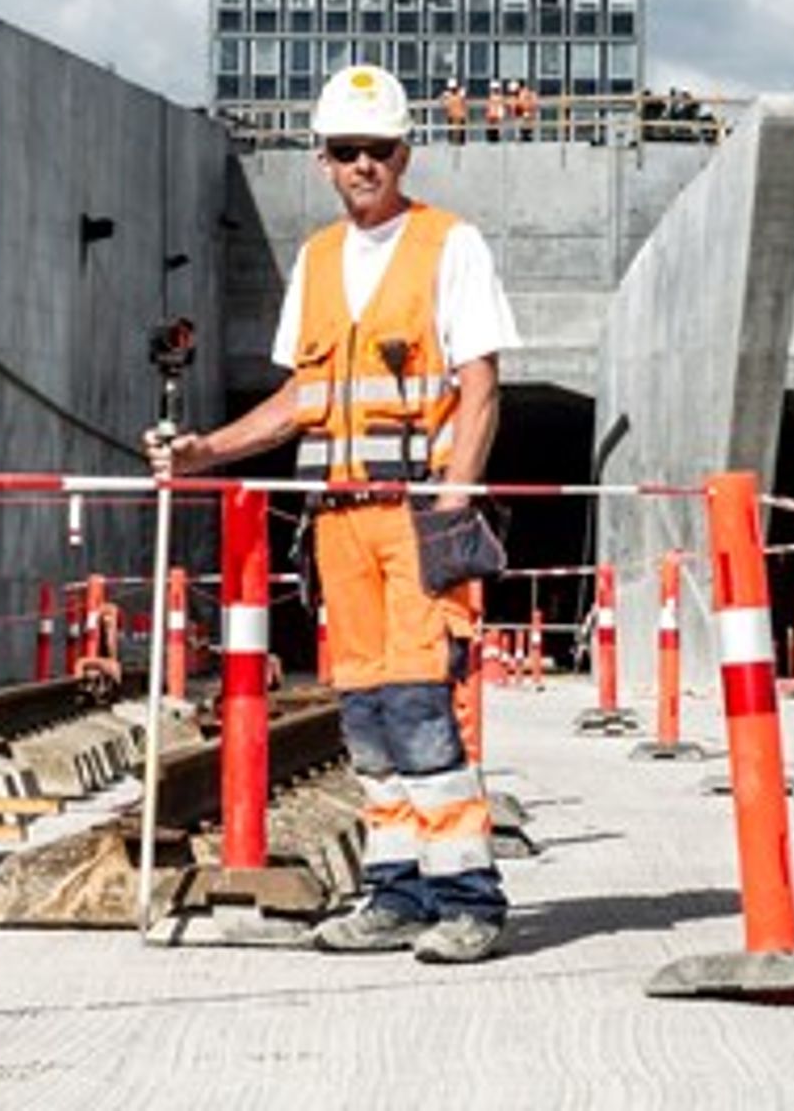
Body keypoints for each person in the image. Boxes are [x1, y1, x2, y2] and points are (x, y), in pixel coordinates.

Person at [147, 63, 518, 964]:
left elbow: (480, 386)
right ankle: (395, 894)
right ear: (322, 158)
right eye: (346, 150)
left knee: (421, 706)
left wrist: (453, 503)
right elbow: (300, 400)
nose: (363, 165)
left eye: (378, 149)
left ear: (404, 152)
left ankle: (468, 898)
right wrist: (204, 451)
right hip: (338, 522)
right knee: (366, 714)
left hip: (413, 514)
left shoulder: (450, 245)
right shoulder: (316, 260)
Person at [440, 79, 468, 145]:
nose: (452, 90)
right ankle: (452, 143)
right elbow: (441, 101)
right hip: (452, 116)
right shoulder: (447, 94)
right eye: (451, 88)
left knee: (461, 133)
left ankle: (459, 143)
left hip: (460, 116)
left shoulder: (461, 93)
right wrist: (445, 102)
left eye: (453, 88)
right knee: (451, 132)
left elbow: (463, 99)